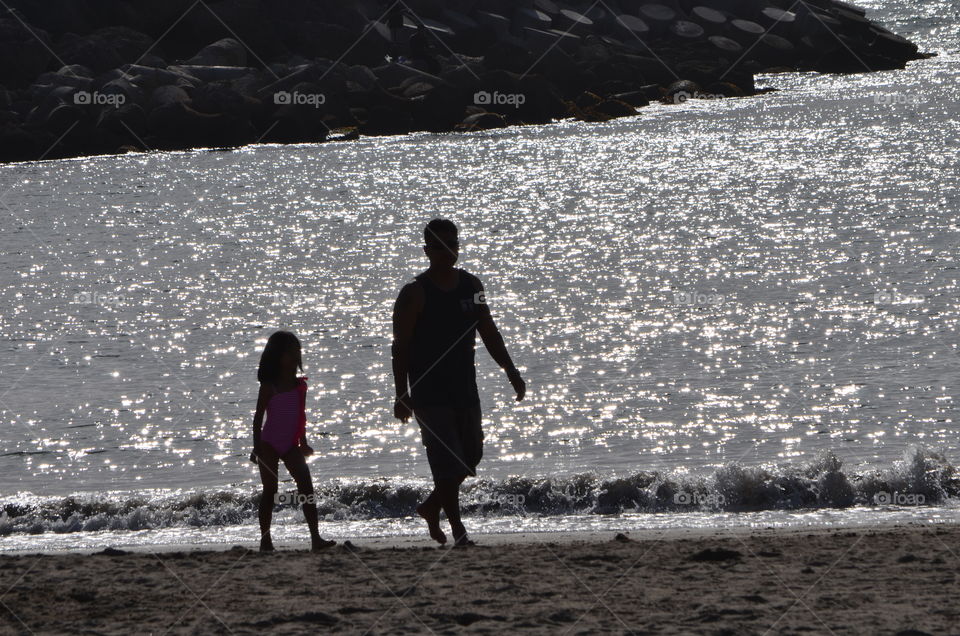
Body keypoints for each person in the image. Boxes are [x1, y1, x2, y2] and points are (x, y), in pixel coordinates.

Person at [391, 219, 526, 546]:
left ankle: (432, 506)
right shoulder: (414, 293)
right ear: (427, 250)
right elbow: (400, 346)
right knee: (445, 462)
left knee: (471, 456)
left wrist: (510, 370)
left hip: (464, 387)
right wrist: (401, 393)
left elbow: (489, 330)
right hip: (428, 391)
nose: (448, 251)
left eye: (453, 244)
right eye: (440, 245)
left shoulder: (472, 286)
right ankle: (458, 531)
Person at [250, 330, 336, 552]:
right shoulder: (269, 386)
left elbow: (301, 416)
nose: (295, 355)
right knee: (271, 491)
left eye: (297, 351)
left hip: (291, 444)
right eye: (290, 351)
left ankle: (315, 538)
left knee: (306, 488)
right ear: (278, 355)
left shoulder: (300, 385)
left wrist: (304, 442)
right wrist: (256, 446)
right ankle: (265, 540)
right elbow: (258, 418)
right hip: (268, 443)